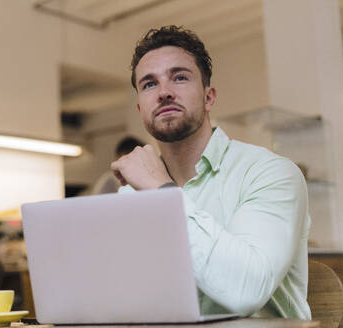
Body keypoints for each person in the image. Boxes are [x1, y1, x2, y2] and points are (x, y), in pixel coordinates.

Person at [111, 25, 311, 319]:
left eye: (179, 77)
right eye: (149, 84)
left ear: (209, 98)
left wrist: (163, 194)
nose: (164, 92)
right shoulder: (131, 193)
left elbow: (245, 291)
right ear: (141, 109)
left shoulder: (270, 173)